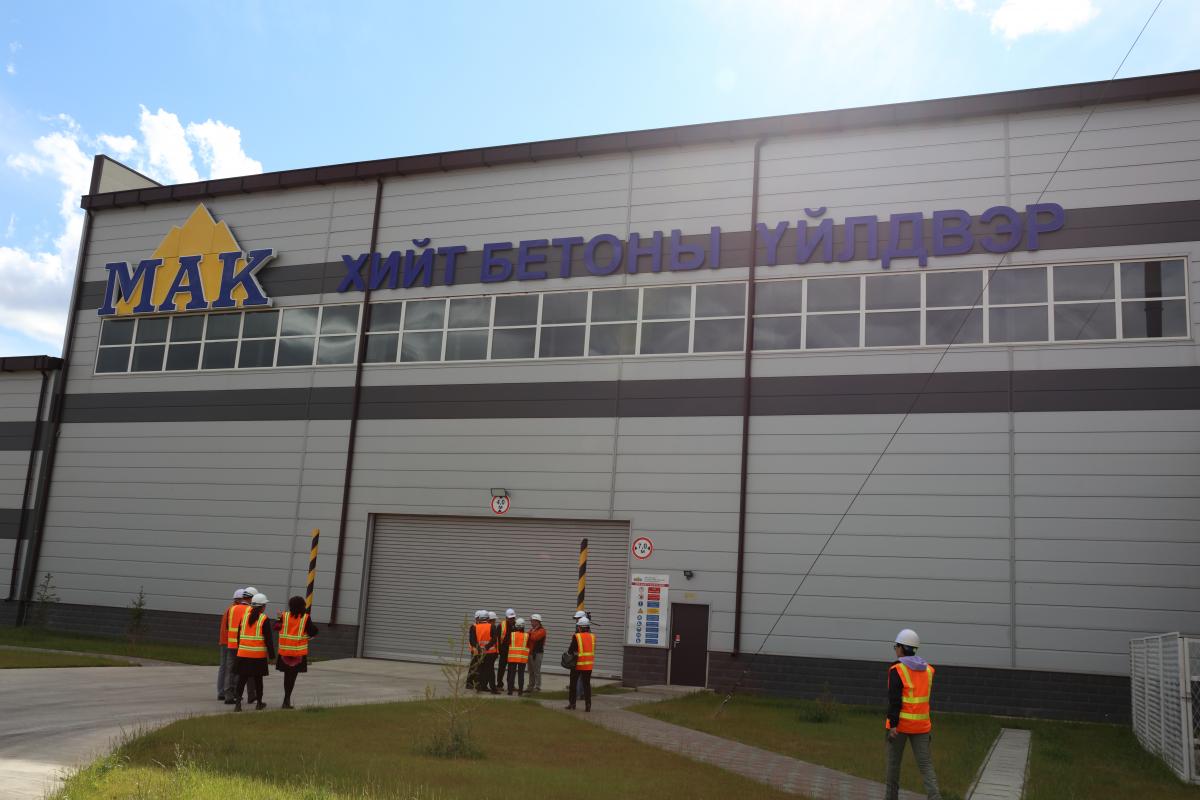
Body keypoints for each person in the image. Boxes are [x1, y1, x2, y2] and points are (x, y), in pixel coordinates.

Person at [885, 628, 942, 800]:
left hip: (899, 727)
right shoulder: (928, 670)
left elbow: (895, 701)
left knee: (893, 766)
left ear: (902, 648)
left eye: (896, 646)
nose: (895, 649)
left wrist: (892, 725)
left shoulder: (897, 670)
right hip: (922, 727)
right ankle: (935, 797)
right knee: (926, 766)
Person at [231, 593, 275, 712]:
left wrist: (240, 649)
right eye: (265, 605)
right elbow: (269, 639)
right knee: (258, 680)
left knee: (242, 680)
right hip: (257, 656)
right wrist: (272, 655)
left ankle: (238, 705)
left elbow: (238, 636)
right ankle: (259, 703)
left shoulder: (244, 617)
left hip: (243, 654)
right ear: (262, 606)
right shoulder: (264, 619)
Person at [274, 595, 318, 709]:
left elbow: (276, 627)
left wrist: (278, 618)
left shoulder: (284, 616)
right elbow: (313, 631)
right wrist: (310, 634)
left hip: (284, 653)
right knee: (292, 677)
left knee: (286, 676)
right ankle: (286, 699)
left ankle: (286, 700)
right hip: (298, 654)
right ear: (302, 606)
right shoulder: (305, 618)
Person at [222, 587, 255, 704]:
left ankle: (228, 695)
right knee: (244, 671)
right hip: (243, 645)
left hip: (231, 644)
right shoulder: (250, 610)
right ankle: (241, 694)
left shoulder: (232, 609)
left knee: (230, 670)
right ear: (251, 599)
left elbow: (227, 625)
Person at [217, 587, 244, 701]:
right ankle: (227, 692)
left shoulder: (230, 609)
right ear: (238, 599)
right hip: (230, 642)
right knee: (230, 668)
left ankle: (221, 692)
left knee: (224, 666)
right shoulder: (235, 610)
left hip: (224, 640)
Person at [565, 616, 594, 712]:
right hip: (588, 665)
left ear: (580, 627)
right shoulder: (593, 637)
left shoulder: (576, 636)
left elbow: (571, 650)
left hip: (577, 664)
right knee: (586, 685)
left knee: (573, 684)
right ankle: (588, 704)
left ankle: (572, 704)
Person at [469, 610, 498, 693]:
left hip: (479, 652)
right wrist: (487, 647)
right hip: (490, 652)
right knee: (490, 670)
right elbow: (494, 639)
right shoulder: (492, 626)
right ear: (488, 618)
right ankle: (493, 689)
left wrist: (479, 648)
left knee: (479, 670)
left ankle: (478, 688)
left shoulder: (475, 627)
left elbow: (472, 640)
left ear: (480, 618)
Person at [506, 618, 530, 695]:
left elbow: (507, 643)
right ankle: (520, 692)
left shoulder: (511, 635)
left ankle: (510, 691)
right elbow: (529, 645)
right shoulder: (527, 635)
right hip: (522, 659)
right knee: (521, 675)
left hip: (512, 658)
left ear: (515, 626)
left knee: (512, 674)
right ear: (523, 626)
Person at [496, 608, 516, 689]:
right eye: (510, 618)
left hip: (513, 651)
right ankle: (499, 684)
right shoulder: (501, 625)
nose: (512, 620)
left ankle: (511, 685)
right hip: (503, 651)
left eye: (513, 618)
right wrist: (498, 650)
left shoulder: (517, 625)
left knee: (511, 669)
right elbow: (497, 639)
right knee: (501, 668)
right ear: (506, 617)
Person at [527, 613, 546, 693]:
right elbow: (528, 637)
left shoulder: (542, 631)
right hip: (530, 653)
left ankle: (537, 687)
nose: (531, 622)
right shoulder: (532, 630)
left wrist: (529, 634)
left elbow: (534, 637)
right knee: (531, 671)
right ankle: (530, 686)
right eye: (531, 621)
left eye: (532, 621)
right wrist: (530, 634)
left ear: (537, 621)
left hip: (537, 654)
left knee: (536, 671)